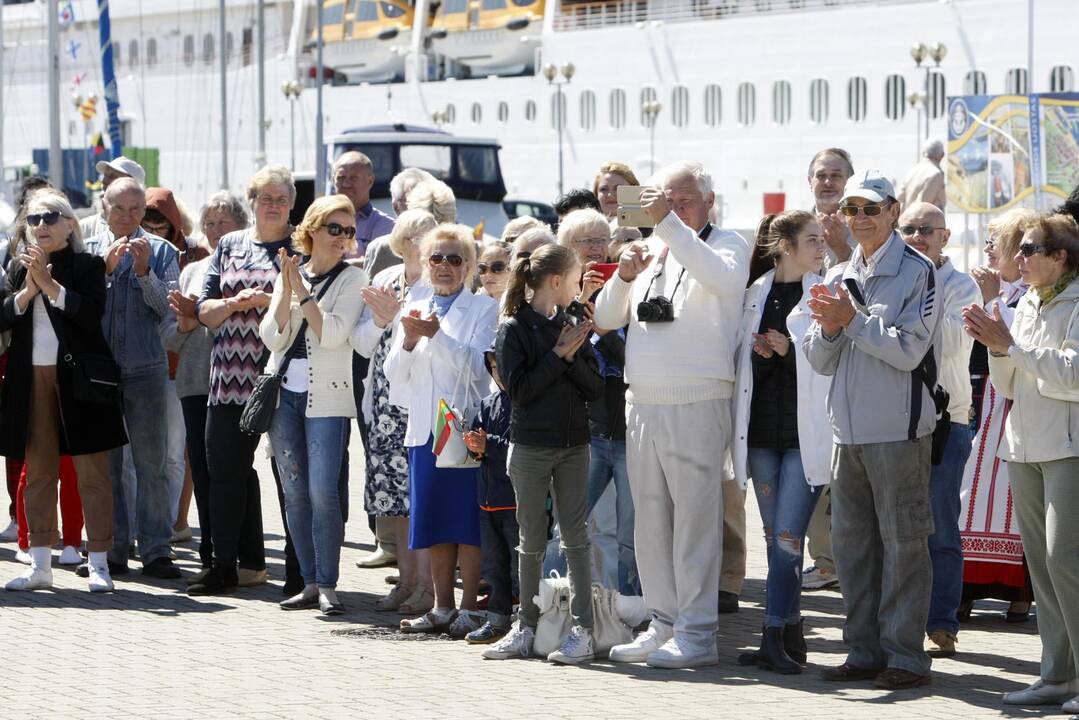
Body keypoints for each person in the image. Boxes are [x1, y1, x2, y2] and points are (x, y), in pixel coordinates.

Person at [595, 161, 751, 669]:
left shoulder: (727, 244)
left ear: (708, 201)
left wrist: (666, 223)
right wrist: (623, 276)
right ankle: (664, 622)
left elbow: (722, 280)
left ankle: (699, 632)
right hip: (643, 399)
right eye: (666, 199)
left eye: (684, 200)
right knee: (651, 523)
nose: (674, 208)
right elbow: (604, 318)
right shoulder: (658, 249)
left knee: (695, 523)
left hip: (697, 399)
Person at [803, 169, 941, 690]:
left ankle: (905, 657)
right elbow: (819, 359)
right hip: (848, 435)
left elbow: (909, 350)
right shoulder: (839, 273)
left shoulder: (918, 271)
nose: (859, 219)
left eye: (870, 209)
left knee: (905, 546)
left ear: (892, 211)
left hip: (899, 433)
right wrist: (835, 326)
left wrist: (853, 321)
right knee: (853, 549)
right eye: (852, 210)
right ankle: (861, 651)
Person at [962, 214, 1079, 711]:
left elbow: (1071, 374)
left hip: (1068, 446)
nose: (1019, 258)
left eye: (1032, 250)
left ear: (1061, 257)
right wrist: (998, 348)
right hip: (1023, 444)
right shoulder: (1025, 302)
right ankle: (1057, 675)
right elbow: (1009, 385)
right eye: (1021, 249)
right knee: (1043, 566)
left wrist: (1011, 345)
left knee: (1065, 559)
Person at [1, 190, 127, 592]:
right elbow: (2, 315)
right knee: (37, 471)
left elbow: (90, 315)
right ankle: (40, 564)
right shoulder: (18, 269)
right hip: (30, 378)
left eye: (51, 217)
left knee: (92, 473)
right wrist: (28, 291)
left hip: (78, 381)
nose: (41, 226)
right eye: (34, 219)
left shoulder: (88, 265)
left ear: (70, 224)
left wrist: (51, 286)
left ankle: (100, 562)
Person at [484, 243, 603, 663]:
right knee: (530, 539)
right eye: (574, 280)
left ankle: (584, 632)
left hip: (574, 446)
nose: (578, 287)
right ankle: (525, 628)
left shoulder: (573, 322)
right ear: (556, 281)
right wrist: (558, 355)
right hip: (531, 447)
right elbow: (520, 392)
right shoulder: (513, 328)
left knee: (576, 540)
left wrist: (570, 356)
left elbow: (595, 387)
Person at [384, 224, 498, 636]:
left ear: (468, 266)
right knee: (432, 519)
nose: (445, 266)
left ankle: (469, 607)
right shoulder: (414, 301)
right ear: (425, 263)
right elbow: (393, 372)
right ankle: (441, 606)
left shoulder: (484, 309)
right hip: (423, 430)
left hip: (462, 426)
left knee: (465, 518)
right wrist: (411, 341)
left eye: (454, 259)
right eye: (437, 258)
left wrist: (437, 336)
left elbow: (478, 370)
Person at [732, 211, 831, 674]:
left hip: (803, 437)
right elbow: (746, 368)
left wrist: (789, 350)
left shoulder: (827, 292)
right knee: (775, 541)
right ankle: (790, 634)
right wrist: (765, 352)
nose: (822, 246)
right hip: (760, 437)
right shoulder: (756, 292)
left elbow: (829, 363)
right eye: (812, 239)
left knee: (789, 540)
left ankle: (773, 634)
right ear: (786, 246)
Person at [192, 165, 297, 595]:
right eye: (264, 197)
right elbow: (203, 310)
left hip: (283, 374)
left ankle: (300, 570)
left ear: (291, 204)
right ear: (251, 202)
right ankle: (224, 566)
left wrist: (269, 300)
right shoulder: (230, 244)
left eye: (280, 198)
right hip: (230, 376)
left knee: (290, 476)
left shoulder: (301, 245)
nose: (272, 205)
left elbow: (309, 303)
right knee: (225, 472)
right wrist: (234, 303)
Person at [262, 195, 368, 616]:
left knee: (324, 492)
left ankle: (328, 583)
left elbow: (333, 335)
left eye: (349, 231)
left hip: (327, 395)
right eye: (335, 229)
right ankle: (307, 581)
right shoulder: (290, 272)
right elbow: (272, 336)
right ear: (312, 231)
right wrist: (289, 289)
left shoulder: (353, 279)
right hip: (284, 395)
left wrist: (301, 295)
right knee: (294, 491)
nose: (343, 238)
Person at [84, 178, 182, 580]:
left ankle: (157, 550)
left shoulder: (162, 251)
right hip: (101, 373)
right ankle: (114, 549)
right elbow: (83, 310)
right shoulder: (88, 252)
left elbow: (168, 311)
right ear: (104, 207)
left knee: (151, 464)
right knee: (107, 468)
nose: (126, 217)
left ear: (144, 211)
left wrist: (144, 274)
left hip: (146, 369)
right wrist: (105, 273)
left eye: (135, 209)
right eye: (118, 208)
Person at [897, 202, 980, 658]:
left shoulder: (962, 286)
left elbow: (949, 344)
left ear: (944, 236)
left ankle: (943, 621)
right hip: (898, 418)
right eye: (907, 228)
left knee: (940, 526)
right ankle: (904, 621)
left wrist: (904, 321)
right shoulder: (895, 275)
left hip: (949, 420)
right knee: (899, 527)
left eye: (926, 229)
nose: (915, 236)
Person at [352, 209, 437, 615]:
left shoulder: (438, 286)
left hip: (419, 403)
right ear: (400, 240)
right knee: (393, 499)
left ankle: (427, 587)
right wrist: (381, 321)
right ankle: (405, 581)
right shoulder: (385, 280)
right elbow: (362, 344)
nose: (422, 242)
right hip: (383, 403)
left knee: (420, 496)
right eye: (416, 234)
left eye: (430, 235)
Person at [163, 191, 249, 582]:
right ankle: (211, 552)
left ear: (240, 226)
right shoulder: (192, 271)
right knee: (201, 466)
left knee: (236, 471)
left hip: (241, 384)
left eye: (224, 224)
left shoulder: (249, 265)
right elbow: (169, 337)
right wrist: (186, 322)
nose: (215, 231)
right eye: (210, 224)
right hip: (196, 383)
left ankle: (246, 558)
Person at [959, 208, 1036, 622]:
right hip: (985, 401)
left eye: (996, 243)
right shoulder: (1003, 292)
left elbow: (1013, 342)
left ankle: (1019, 591)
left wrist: (991, 299)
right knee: (974, 491)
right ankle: (968, 588)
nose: (989, 250)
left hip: (1014, 403)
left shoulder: (1030, 294)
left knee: (1009, 497)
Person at [557, 207, 639, 595]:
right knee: (566, 527)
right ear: (566, 247)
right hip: (580, 431)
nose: (594, 248)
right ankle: (549, 603)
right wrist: (579, 302)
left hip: (624, 428)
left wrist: (603, 327)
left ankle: (625, 609)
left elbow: (633, 360)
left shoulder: (626, 288)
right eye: (584, 241)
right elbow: (555, 356)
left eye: (599, 239)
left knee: (623, 533)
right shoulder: (555, 293)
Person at [801, 148, 855, 591]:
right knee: (813, 460)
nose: (829, 181)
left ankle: (845, 558)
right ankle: (824, 558)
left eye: (837, 175)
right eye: (822, 174)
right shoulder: (798, 226)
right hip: (805, 357)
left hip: (850, 358)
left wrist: (841, 248)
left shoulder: (864, 225)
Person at [143, 186, 204, 546]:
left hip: (177, 369)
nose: (153, 233)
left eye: (160, 226)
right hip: (135, 367)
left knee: (174, 453)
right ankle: (145, 526)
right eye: (146, 225)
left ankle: (168, 525)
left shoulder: (196, 256)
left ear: (174, 226)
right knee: (138, 458)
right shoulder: (124, 250)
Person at [462, 349, 518, 644]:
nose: (498, 374)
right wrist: (474, 445)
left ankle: (524, 619)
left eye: (503, 367)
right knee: (494, 566)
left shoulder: (525, 402)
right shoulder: (487, 403)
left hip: (515, 500)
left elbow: (521, 447)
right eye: (494, 368)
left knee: (518, 565)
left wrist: (490, 444)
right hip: (487, 498)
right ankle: (497, 619)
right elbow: (477, 439)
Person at [333, 151, 395, 264]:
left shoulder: (385, 225)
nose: (346, 184)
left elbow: (376, 265)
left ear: (370, 181)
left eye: (353, 178)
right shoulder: (321, 222)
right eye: (341, 178)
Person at [80, 156, 147, 240]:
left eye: (112, 176)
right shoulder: (85, 227)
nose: (103, 181)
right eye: (105, 175)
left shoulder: (152, 228)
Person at [898, 138, 947, 211]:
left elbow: (900, 200)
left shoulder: (912, 171)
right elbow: (923, 205)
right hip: (924, 221)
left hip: (905, 219)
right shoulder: (936, 174)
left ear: (923, 153)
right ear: (942, 155)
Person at [476, 240, 512, 304]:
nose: (488, 274)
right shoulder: (475, 300)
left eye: (497, 267)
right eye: (483, 268)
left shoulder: (523, 307)